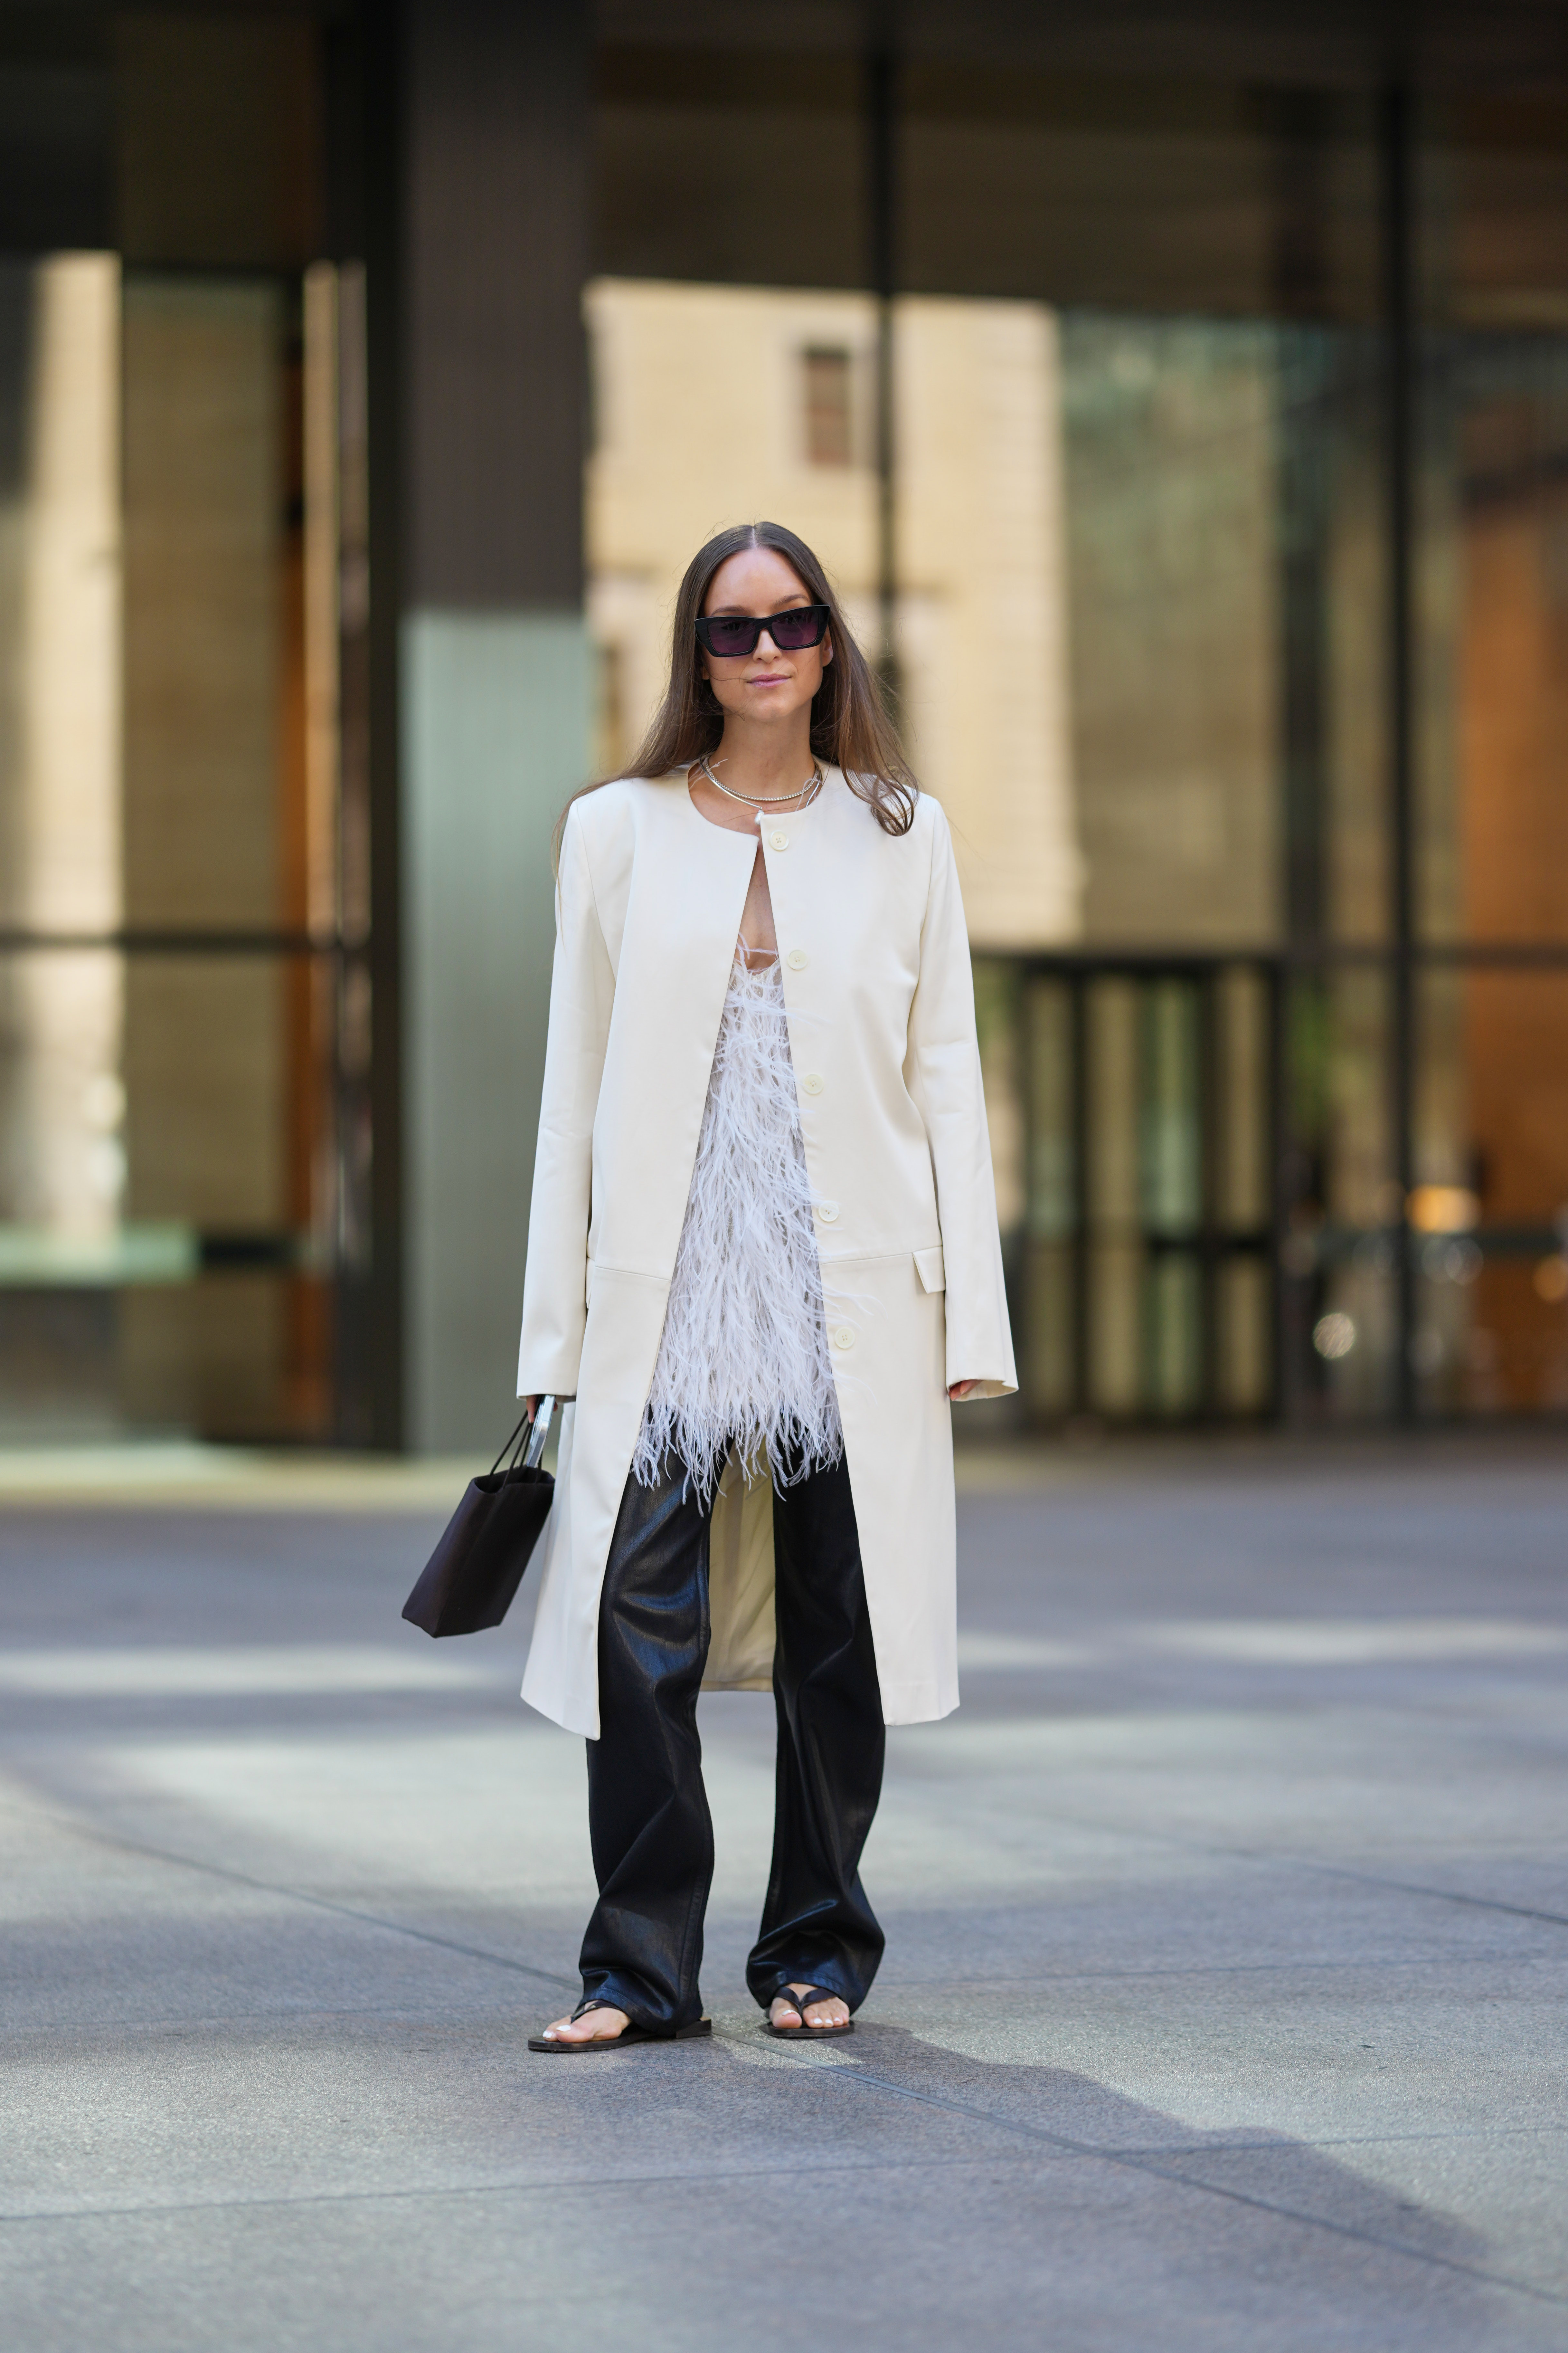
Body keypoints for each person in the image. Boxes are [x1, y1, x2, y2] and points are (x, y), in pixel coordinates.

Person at [516, 519, 1015, 2050]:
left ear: (829, 640)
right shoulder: (614, 829)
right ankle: (638, 1970)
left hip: (850, 1289)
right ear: (697, 656)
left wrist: (972, 1319)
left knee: (836, 1629)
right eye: (730, 631)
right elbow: (572, 1088)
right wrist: (553, 1338)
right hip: (666, 1287)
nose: (764, 653)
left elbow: (946, 1078)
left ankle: (818, 1946)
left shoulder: (902, 830)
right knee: (632, 1622)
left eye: (789, 622)